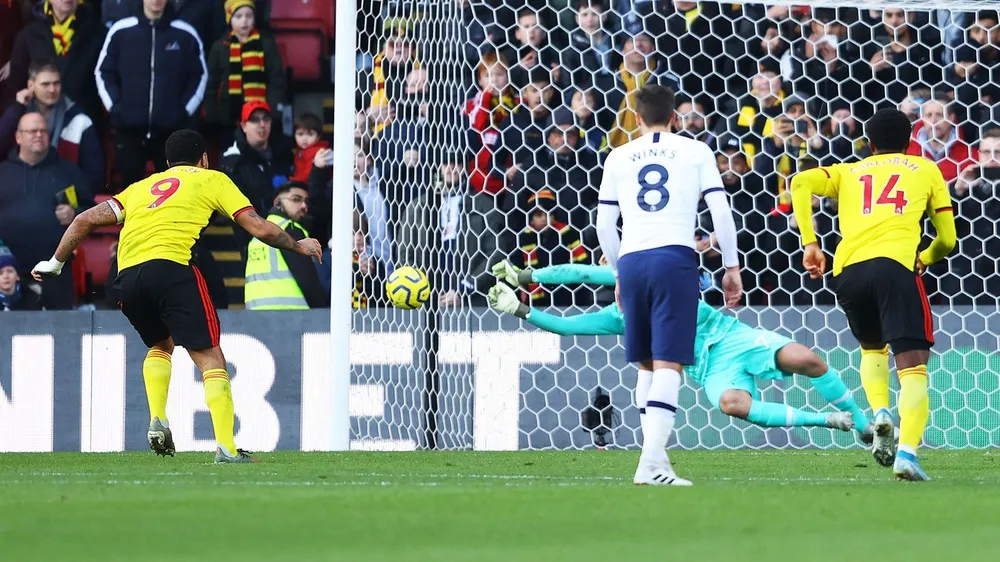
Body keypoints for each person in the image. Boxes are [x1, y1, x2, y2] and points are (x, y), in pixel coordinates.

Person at [30, 129, 323, 463]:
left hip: (125, 277)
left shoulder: (141, 187)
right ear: (203, 159)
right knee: (210, 356)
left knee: (161, 345)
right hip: (171, 268)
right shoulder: (211, 179)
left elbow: (84, 219)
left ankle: (158, 417)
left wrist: (55, 262)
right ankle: (226, 448)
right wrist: (298, 245)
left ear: (168, 162)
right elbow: (257, 226)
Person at [488, 260, 869, 437]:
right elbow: (567, 327)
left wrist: (527, 275)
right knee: (732, 405)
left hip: (733, 338)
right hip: (709, 367)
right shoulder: (618, 316)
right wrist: (521, 309)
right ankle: (830, 421)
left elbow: (581, 273)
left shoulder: (649, 275)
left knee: (806, 359)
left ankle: (866, 425)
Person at [790, 108, 957, 481]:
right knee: (913, 367)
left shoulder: (849, 171)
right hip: (896, 267)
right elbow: (948, 239)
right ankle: (908, 454)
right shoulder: (926, 169)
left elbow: (800, 182)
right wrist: (925, 258)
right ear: (910, 139)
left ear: (869, 142)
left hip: (848, 272)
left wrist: (811, 243)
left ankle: (880, 411)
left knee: (871, 348)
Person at [595, 84, 741, 486]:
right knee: (668, 364)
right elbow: (720, 211)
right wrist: (731, 265)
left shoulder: (618, 156)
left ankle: (653, 462)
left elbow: (604, 223)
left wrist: (618, 274)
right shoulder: (696, 152)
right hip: (673, 257)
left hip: (633, 259)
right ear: (675, 117)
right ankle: (652, 463)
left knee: (646, 364)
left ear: (637, 118)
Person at [95, 0, 207, 189]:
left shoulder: (185, 33)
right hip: (128, 130)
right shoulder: (121, 30)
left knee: (175, 192)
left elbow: (199, 75)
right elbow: (103, 72)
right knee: (131, 195)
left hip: (171, 132)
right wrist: (115, 108)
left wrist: (184, 111)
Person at [0, 112, 91, 310]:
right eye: (32, 131)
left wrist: (74, 213)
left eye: (43, 130)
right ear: (18, 137)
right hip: (9, 273)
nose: (39, 135)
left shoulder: (68, 172)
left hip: (56, 271)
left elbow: (91, 211)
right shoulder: (3, 172)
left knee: (61, 334)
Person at [0, 59, 104, 192]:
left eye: (56, 83)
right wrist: (18, 108)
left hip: (63, 195)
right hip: (20, 190)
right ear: (31, 85)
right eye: (45, 84)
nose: (52, 89)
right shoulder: (18, 114)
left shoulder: (79, 120)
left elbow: (93, 175)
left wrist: (75, 203)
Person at [2, 0, 106, 120]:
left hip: (84, 122)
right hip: (40, 126)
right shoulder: (28, 35)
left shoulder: (98, 34)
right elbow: (15, 86)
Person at [204, 0, 286, 141]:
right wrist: (212, 115)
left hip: (260, 118)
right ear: (229, 19)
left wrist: (273, 112)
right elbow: (212, 84)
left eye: (249, 16)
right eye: (238, 16)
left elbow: (276, 80)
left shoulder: (266, 44)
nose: (244, 21)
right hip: (228, 117)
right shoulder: (219, 47)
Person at [244, 182, 328, 310]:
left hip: (256, 313)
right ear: (277, 202)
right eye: (296, 199)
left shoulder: (256, 235)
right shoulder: (290, 229)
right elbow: (306, 278)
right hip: (291, 313)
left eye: (306, 202)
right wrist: (322, 310)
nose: (304, 206)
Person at [220, 100, 294, 215]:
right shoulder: (232, 161)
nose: (262, 124)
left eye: (266, 119)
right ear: (244, 126)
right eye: (255, 120)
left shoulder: (284, 153)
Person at [0, 243, 43, 311]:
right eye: (1, 273)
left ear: (17, 276)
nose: (6, 276)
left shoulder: (33, 299)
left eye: (10, 271)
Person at [289, 113, 326, 182]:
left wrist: (293, 180)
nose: (304, 139)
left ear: (318, 137)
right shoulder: (300, 151)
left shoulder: (318, 152)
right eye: (300, 134)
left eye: (310, 134)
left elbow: (307, 175)